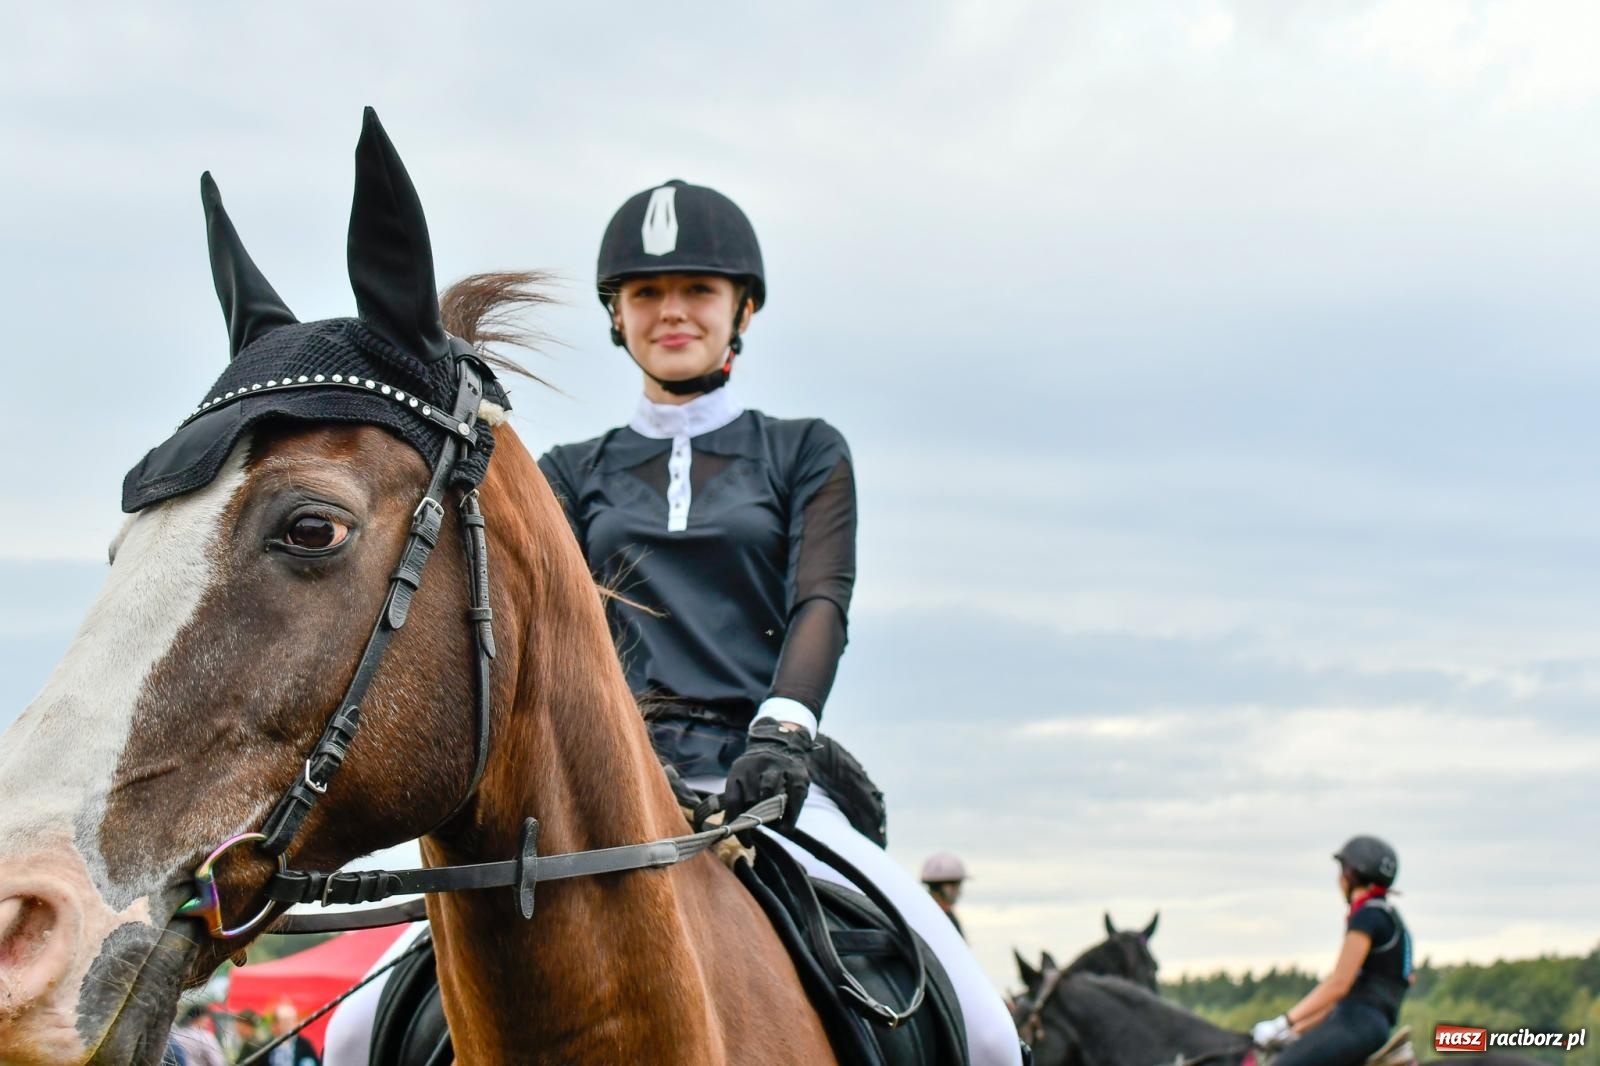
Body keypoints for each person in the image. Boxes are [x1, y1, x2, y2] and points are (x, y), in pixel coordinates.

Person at [535, 179, 1023, 1066]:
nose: (671, 313)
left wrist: (783, 734)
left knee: (988, 1035)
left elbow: (819, 602)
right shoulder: (566, 471)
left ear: (742, 310)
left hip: (765, 772)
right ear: (617, 316)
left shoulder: (803, 450)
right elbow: (561, 637)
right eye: (647, 293)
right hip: (609, 780)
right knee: (355, 1033)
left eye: (698, 292)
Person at [1252, 836, 1413, 1066]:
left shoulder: (1367, 916)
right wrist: (1299, 1030)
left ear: (1350, 874)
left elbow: (1339, 984)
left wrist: (1283, 1023)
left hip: (1357, 1023)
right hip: (1371, 1023)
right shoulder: (1390, 917)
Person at [920, 852, 969, 939]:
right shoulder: (926, 919)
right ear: (937, 886)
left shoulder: (947, 916)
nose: (958, 891)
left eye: (959, 884)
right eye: (953, 884)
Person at [266, 1001, 320, 1066]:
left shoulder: (304, 1045)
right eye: (285, 1022)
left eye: (291, 1021)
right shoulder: (268, 1045)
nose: (289, 1025)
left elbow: (312, 1062)